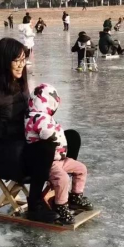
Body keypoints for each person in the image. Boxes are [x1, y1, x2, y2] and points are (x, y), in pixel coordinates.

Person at [0, 37, 78, 223]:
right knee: (46, 147)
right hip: (2, 155)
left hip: (23, 145)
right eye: (16, 60)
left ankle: (59, 192)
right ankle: (35, 206)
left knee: (69, 138)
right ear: (4, 61)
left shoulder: (18, 79)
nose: (21, 65)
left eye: (23, 59)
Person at [25, 83, 93, 226]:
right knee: (62, 178)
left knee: (81, 168)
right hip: (47, 161)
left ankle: (76, 195)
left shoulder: (45, 117)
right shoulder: (34, 117)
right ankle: (61, 205)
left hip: (60, 158)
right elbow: (46, 134)